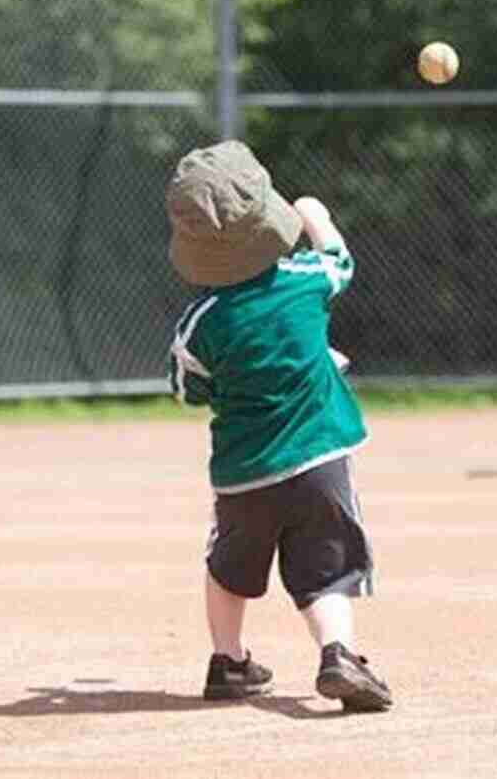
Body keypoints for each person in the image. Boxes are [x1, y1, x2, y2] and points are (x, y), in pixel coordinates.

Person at [165, 139, 392, 712]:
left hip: (243, 475)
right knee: (327, 566)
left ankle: (229, 661)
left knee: (229, 567)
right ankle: (338, 653)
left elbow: (187, 391)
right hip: (320, 458)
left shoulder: (201, 322)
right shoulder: (307, 279)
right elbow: (342, 263)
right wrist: (321, 220)